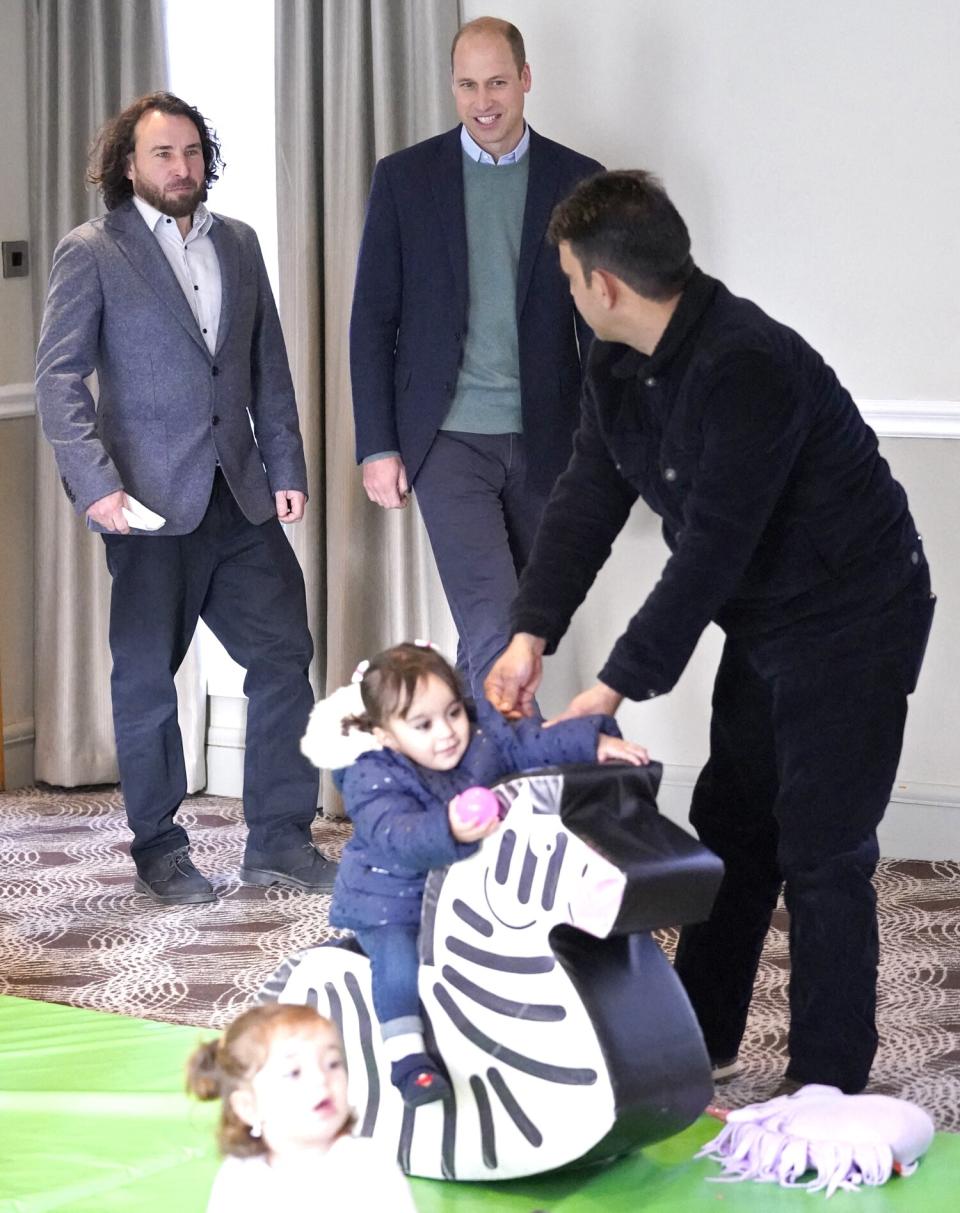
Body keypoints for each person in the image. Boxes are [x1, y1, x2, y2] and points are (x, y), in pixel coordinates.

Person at [485, 171, 935, 1096]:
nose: (571, 293)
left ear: (605, 283)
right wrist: (530, 630)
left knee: (824, 846)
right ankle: (696, 1040)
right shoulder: (614, 362)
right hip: (769, 618)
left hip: (855, 614)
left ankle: (827, 1083)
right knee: (734, 825)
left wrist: (608, 687)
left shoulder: (748, 364)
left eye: (571, 277)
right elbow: (587, 498)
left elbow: (711, 555)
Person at [35, 92, 332, 905]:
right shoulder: (91, 250)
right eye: (164, 153)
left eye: (194, 151)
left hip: (238, 494)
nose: (182, 167)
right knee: (146, 679)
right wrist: (96, 487)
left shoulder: (237, 243)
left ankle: (279, 838)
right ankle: (160, 848)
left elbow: (266, 364)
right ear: (128, 164)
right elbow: (57, 379)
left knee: (283, 657)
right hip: (146, 505)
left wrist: (287, 467)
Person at [350, 17, 603, 702]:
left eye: (497, 81)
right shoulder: (405, 178)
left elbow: (603, 328)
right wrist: (377, 445)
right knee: (497, 625)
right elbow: (373, 319)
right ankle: (527, 791)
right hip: (447, 439)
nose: (483, 100)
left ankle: (463, 790)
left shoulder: (580, 181)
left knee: (514, 629)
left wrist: (609, 442)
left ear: (525, 80)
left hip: (548, 443)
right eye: (467, 84)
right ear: (452, 86)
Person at [327, 642, 648, 1105]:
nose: (447, 733)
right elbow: (396, 834)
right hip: (391, 901)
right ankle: (407, 1058)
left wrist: (593, 744)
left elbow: (530, 742)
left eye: (453, 713)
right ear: (387, 735)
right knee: (399, 968)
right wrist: (447, 826)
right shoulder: (371, 776)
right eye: (423, 725)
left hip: (467, 892)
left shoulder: (478, 742)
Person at [187, 1002, 418, 1211]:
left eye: (333, 1064)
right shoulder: (238, 1177)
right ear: (249, 1107)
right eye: (294, 1072)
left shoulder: (367, 1168)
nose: (321, 1078)